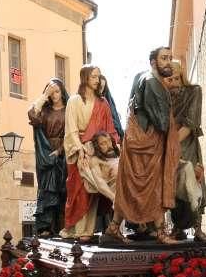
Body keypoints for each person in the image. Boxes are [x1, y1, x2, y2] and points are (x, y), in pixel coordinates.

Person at [107, 46, 180, 244]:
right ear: (153, 62)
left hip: (134, 140)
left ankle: (114, 227)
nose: (168, 62)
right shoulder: (153, 82)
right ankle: (161, 233)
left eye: (170, 58)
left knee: (128, 185)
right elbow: (162, 122)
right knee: (152, 186)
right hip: (147, 143)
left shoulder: (141, 76)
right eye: (164, 58)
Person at [61, 64, 121, 242]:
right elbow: (70, 129)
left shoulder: (103, 103)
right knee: (78, 190)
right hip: (79, 150)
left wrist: (114, 147)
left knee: (94, 189)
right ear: (85, 78)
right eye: (94, 76)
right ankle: (74, 229)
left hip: (97, 151)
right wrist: (80, 149)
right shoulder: (74, 101)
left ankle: (88, 229)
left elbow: (110, 129)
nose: (97, 80)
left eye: (98, 76)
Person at [162, 60, 206, 242]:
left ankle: (198, 229)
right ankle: (177, 228)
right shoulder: (164, 96)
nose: (173, 80)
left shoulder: (194, 91)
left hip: (185, 145)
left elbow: (190, 124)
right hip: (168, 147)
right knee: (172, 186)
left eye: (176, 75)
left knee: (194, 181)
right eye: (169, 77)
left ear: (181, 73)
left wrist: (170, 144)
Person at [28, 78, 69, 238]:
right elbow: (32, 115)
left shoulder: (69, 110)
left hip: (64, 153)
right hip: (45, 153)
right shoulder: (44, 111)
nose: (54, 95)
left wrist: (60, 150)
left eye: (57, 91)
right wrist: (44, 95)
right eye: (51, 92)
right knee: (46, 189)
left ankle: (63, 226)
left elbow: (73, 131)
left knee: (63, 189)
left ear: (63, 92)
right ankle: (45, 226)